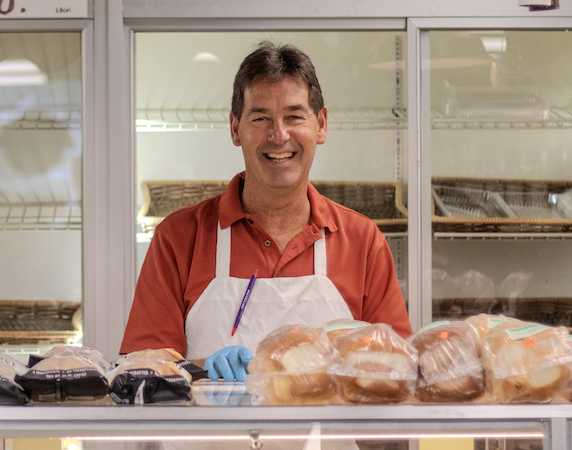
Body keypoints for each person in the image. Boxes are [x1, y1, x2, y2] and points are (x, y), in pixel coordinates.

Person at [120, 41, 411, 383]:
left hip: (324, 439)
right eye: (261, 118)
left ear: (321, 125)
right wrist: (200, 370)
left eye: (294, 116)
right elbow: (140, 371)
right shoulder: (179, 238)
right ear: (235, 129)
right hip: (212, 437)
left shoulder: (362, 241)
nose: (279, 135)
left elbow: (399, 370)